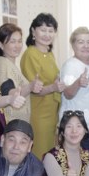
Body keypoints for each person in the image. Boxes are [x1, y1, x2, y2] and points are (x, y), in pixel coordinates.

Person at [21, 13, 66, 159]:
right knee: (41, 155)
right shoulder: (30, 54)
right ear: (33, 31)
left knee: (52, 154)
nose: (47, 34)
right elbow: (34, 89)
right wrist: (53, 87)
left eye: (51, 30)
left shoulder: (49, 53)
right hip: (39, 113)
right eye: (43, 30)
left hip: (52, 111)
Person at [58, 27, 89, 152]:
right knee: (76, 159)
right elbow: (68, 94)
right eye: (81, 42)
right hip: (76, 125)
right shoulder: (70, 65)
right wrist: (78, 82)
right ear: (73, 45)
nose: (86, 46)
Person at [0, 23, 42, 123]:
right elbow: (8, 92)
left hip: (18, 121)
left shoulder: (10, 64)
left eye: (19, 41)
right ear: (1, 45)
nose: (17, 46)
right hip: (11, 122)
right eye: (12, 42)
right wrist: (30, 87)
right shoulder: (2, 63)